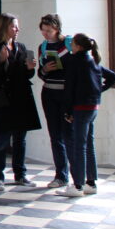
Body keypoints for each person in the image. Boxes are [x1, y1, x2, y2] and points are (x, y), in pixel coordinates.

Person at [57, 33, 115, 197]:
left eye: (73, 44)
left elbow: (69, 89)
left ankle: (77, 185)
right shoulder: (93, 61)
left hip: (80, 108)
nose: (71, 46)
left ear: (77, 46)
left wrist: (67, 111)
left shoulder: (75, 62)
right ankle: (91, 183)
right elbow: (113, 77)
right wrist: (98, 91)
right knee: (88, 144)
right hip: (93, 107)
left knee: (79, 146)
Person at [0, 13, 42, 190]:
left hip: (21, 97)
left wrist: (30, 69)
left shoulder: (21, 47)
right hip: (4, 98)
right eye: (13, 26)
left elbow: (25, 74)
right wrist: (1, 60)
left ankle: (20, 174)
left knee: (20, 139)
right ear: (4, 28)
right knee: (3, 138)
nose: (17, 29)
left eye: (17, 26)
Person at [37, 14, 73, 188]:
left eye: (49, 31)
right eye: (43, 30)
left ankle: (78, 176)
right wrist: (45, 69)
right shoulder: (43, 47)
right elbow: (40, 73)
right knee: (55, 135)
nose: (45, 34)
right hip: (49, 93)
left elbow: (78, 66)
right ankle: (61, 175)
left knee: (69, 135)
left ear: (57, 29)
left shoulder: (69, 44)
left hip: (67, 94)